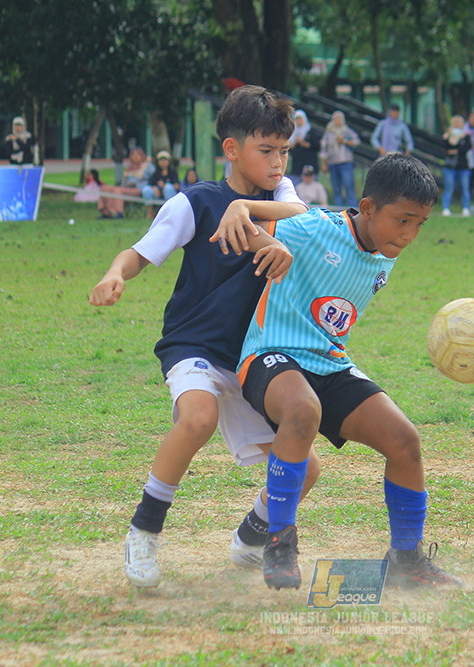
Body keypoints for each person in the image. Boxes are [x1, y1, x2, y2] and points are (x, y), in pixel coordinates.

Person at [89, 85, 317, 589]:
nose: (279, 162)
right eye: (266, 151)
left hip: (251, 356)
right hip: (194, 343)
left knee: (305, 465)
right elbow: (141, 252)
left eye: (284, 150)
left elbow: (302, 215)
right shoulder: (196, 201)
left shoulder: (281, 198)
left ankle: (252, 536)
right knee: (198, 417)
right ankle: (143, 531)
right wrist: (115, 274)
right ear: (231, 150)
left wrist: (251, 210)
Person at [234, 153, 464, 591]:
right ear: (369, 208)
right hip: (270, 354)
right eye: (403, 220)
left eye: (420, 224)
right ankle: (279, 543)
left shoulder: (385, 251)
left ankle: (406, 560)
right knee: (303, 409)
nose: (410, 234)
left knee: (405, 441)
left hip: (329, 362)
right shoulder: (318, 228)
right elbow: (243, 230)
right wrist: (254, 226)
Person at [319, 111, 360, 208]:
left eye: (339, 119)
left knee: (348, 186)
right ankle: (338, 210)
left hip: (345, 162)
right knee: (336, 188)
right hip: (333, 163)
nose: (338, 121)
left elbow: (356, 141)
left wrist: (344, 141)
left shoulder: (347, 131)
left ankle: (352, 209)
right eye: (336, 119)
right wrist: (323, 163)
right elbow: (324, 148)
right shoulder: (329, 132)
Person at [99, 148, 155, 219]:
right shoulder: (130, 167)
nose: (135, 156)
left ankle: (119, 213)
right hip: (126, 187)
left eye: (138, 154)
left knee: (117, 191)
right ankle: (105, 212)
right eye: (133, 155)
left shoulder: (148, 166)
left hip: (139, 188)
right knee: (104, 188)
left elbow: (154, 177)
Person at [441, 115, 472, 217]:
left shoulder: (466, 136)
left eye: (459, 122)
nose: (457, 124)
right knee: (449, 187)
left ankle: (465, 208)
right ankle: (446, 208)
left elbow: (466, 148)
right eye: (455, 122)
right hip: (450, 166)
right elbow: (445, 146)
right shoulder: (447, 135)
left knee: (465, 188)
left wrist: (456, 150)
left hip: (463, 166)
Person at [142, 151, 181, 219]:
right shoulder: (156, 172)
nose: (163, 162)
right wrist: (155, 188)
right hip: (158, 195)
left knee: (168, 188)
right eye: (161, 160)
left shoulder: (173, 172)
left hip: (170, 196)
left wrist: (164, 186)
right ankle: (150, 212)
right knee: (146, 190)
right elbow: (150, 184)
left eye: (164, 160)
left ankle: (170, 212)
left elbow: (177, 186)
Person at [288, 110, 319, 182]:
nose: (299, 121)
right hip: (297, 165)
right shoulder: (292, 132)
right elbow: (289, 148)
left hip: (309, 163)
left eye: (300, 119)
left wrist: (305, 144)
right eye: (297, 119)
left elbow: (316, 146)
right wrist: (295, 141)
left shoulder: (310, 131)